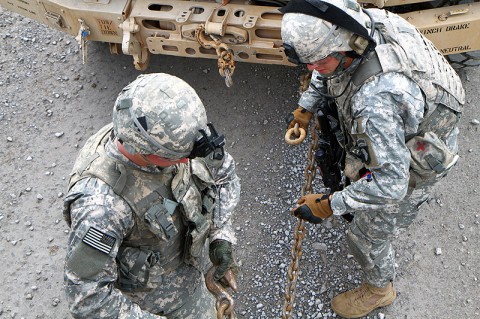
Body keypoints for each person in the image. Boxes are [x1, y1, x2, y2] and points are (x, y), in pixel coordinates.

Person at [280, 0, 465, 317]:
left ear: (344, 47)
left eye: (318, 62)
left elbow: (391, 183)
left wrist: (328, 204)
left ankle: (379, 290)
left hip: (416, 154)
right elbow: (326, 69)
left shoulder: (375, 99)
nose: (312, 69)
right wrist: (306, 107)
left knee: (367, 235)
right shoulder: (364, 23)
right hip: (410, 123)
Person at [62, 73, 241, 318]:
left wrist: (221, 236)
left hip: (186, 277)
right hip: (147, 305)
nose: (187, 160)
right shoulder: (102, 207)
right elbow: (87, 297)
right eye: (178, 157)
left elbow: (224, 175)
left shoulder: (173, 136)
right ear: (145, 151)